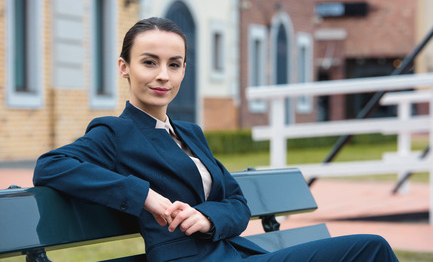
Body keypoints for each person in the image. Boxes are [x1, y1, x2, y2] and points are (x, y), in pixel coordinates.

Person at [34, 17, 398, 261]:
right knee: (370, 249)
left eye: (174, 64)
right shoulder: (116, 132)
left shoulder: (190, 133)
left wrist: (207, 218)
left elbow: (237, 203)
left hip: (234, 252)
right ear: (124, 68)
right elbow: (51, 166)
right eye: (149, 62)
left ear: (183, 71)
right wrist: (146, 197)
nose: (163, 75)